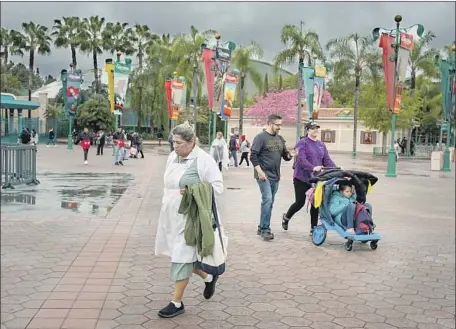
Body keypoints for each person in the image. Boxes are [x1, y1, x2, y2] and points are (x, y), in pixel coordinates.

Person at [155, 123, 223, 318]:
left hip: (190, 217)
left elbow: (217, 187)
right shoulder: (172, 157)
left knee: (182, 256)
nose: (175, 146)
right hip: (170, 214)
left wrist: (194, 191)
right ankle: (209, 276)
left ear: (192, 142)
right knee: (179, 253)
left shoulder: (203, 160)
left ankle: (176, 302)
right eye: (173, 142)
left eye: (179, 143)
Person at [282, 122, 336, 236]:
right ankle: (286, 217)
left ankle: (313, 228)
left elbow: (327, 160)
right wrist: (313, 168)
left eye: (317, 128)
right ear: (307, 130)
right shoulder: (302, 143)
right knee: (300, 202)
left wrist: (337, 169)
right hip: (301, 178)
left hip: (316, 180)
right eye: (312, 128)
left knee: (315, 203)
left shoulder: (321, 145)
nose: (315, 130)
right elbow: (301, 159)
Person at [250, 114, 296, 241]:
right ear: (270, 124)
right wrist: (259, 172)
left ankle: (261, 226)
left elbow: (285, 156)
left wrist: (291, 154)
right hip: (263, 175)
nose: (279, 127)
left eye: (281, 125)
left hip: (275, 176)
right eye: (277, 125)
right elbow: (253, 156)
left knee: (269, 203)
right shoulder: (260, 138)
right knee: (268, 199)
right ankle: (265, 229)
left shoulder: (280, 138)